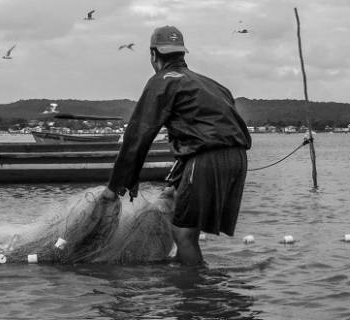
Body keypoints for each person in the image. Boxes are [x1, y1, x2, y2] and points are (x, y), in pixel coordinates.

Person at [103, 26, 251, 266]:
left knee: (183, 233)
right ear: (182, 53)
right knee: (183, 219)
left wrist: (115, 186)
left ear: (153, 55)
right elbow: (203, 131)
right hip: (238, 158)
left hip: (207, 158)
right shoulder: (213, 85)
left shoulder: (161, 81)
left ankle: (195, 284)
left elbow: (138, 136)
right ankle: (185, 273)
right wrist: (176, 180)